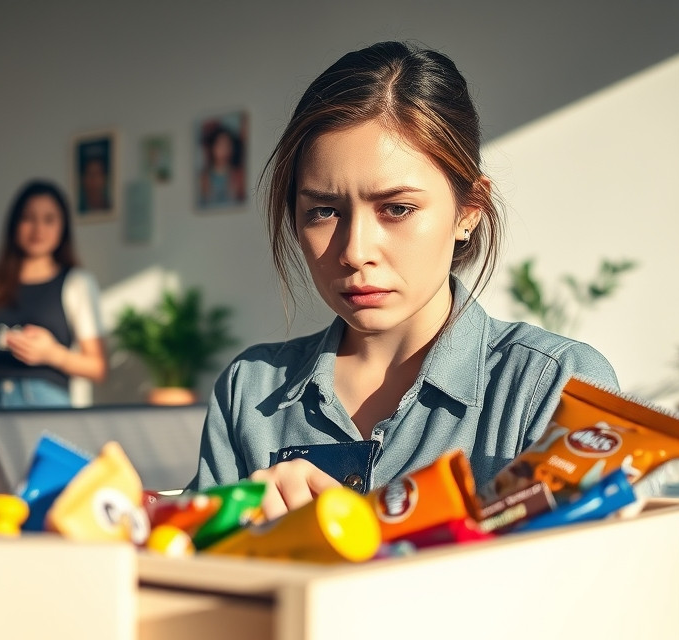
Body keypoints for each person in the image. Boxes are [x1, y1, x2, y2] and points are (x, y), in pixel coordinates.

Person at [189, 41, 618, 519]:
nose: (355, 251)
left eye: (397, 209)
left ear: (469, 210)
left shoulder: (551, 388)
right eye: (324, 211)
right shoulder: (251, 392)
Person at [0, 180, 106, 410]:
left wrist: (52, 354)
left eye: (49, 219)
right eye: (29, 218)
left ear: (63, 227)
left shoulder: (76, 283)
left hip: (45, 403)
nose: (38, 229)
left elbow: (98, 368)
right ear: (15, 224)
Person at [198, 122, 246, 207]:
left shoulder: (238, 175)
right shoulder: (204, 177)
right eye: (220, 145)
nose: (224, 150)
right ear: (213, 147)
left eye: (227, 145)